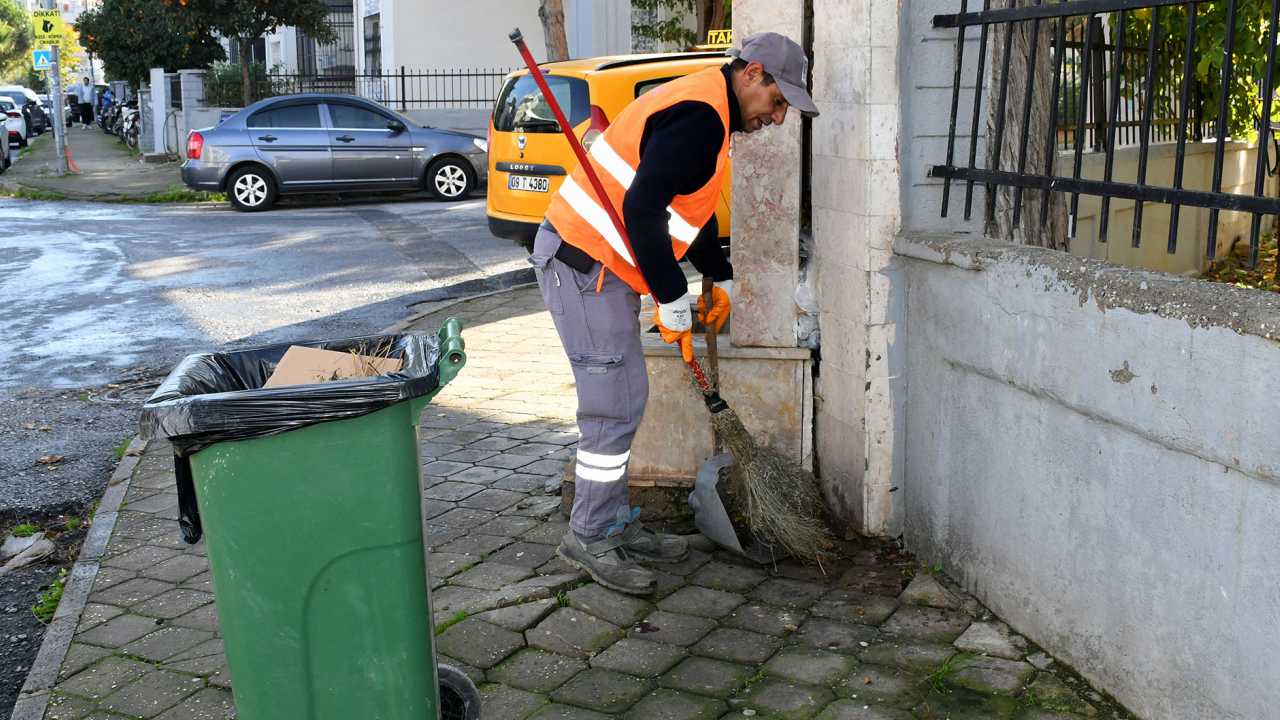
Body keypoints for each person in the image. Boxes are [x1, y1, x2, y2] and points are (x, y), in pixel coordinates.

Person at [531, 32, 819, 594]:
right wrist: (671, 296)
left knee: (627, 398)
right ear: (753, 73)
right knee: (611, 406)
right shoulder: (701, 116)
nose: (779, 117)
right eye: (779, 100)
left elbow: (687, 203)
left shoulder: (709, 107)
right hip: (583, 262)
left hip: (601, 264)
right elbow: (641, 207)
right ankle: (588, 535)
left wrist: (717, 269)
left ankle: (610, 524)